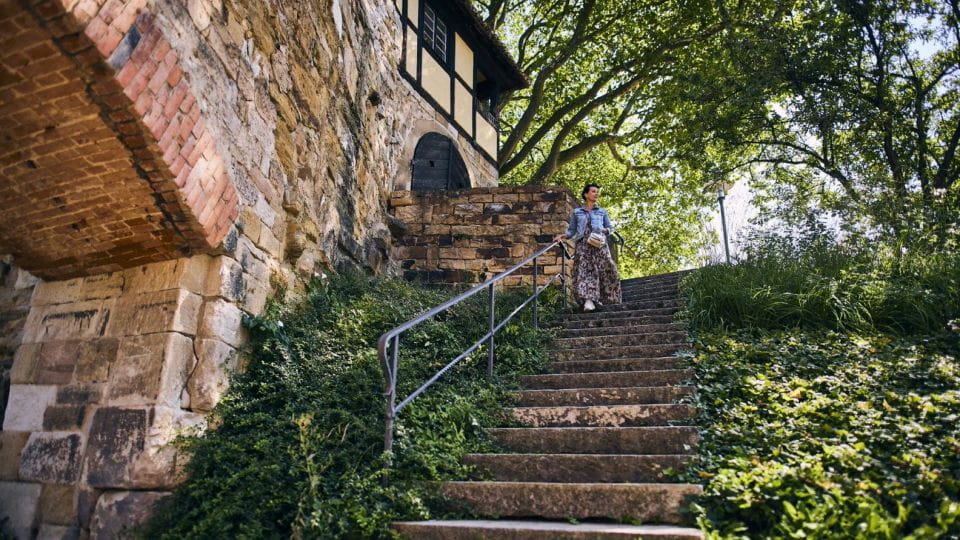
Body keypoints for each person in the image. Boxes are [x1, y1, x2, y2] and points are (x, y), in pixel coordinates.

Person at [553, 183, 622, 311]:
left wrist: (605, 231)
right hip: (583, 245)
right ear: (586, 194)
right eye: (593, 191)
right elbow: (572, 230)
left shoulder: (602, 211)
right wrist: (562, 236)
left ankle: (600, 298)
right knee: (585, 272)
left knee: (608, 270)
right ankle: (588, 301)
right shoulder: (577, 212)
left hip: (599, 244)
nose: (596, 194)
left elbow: (610, 228)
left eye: (597, 192)